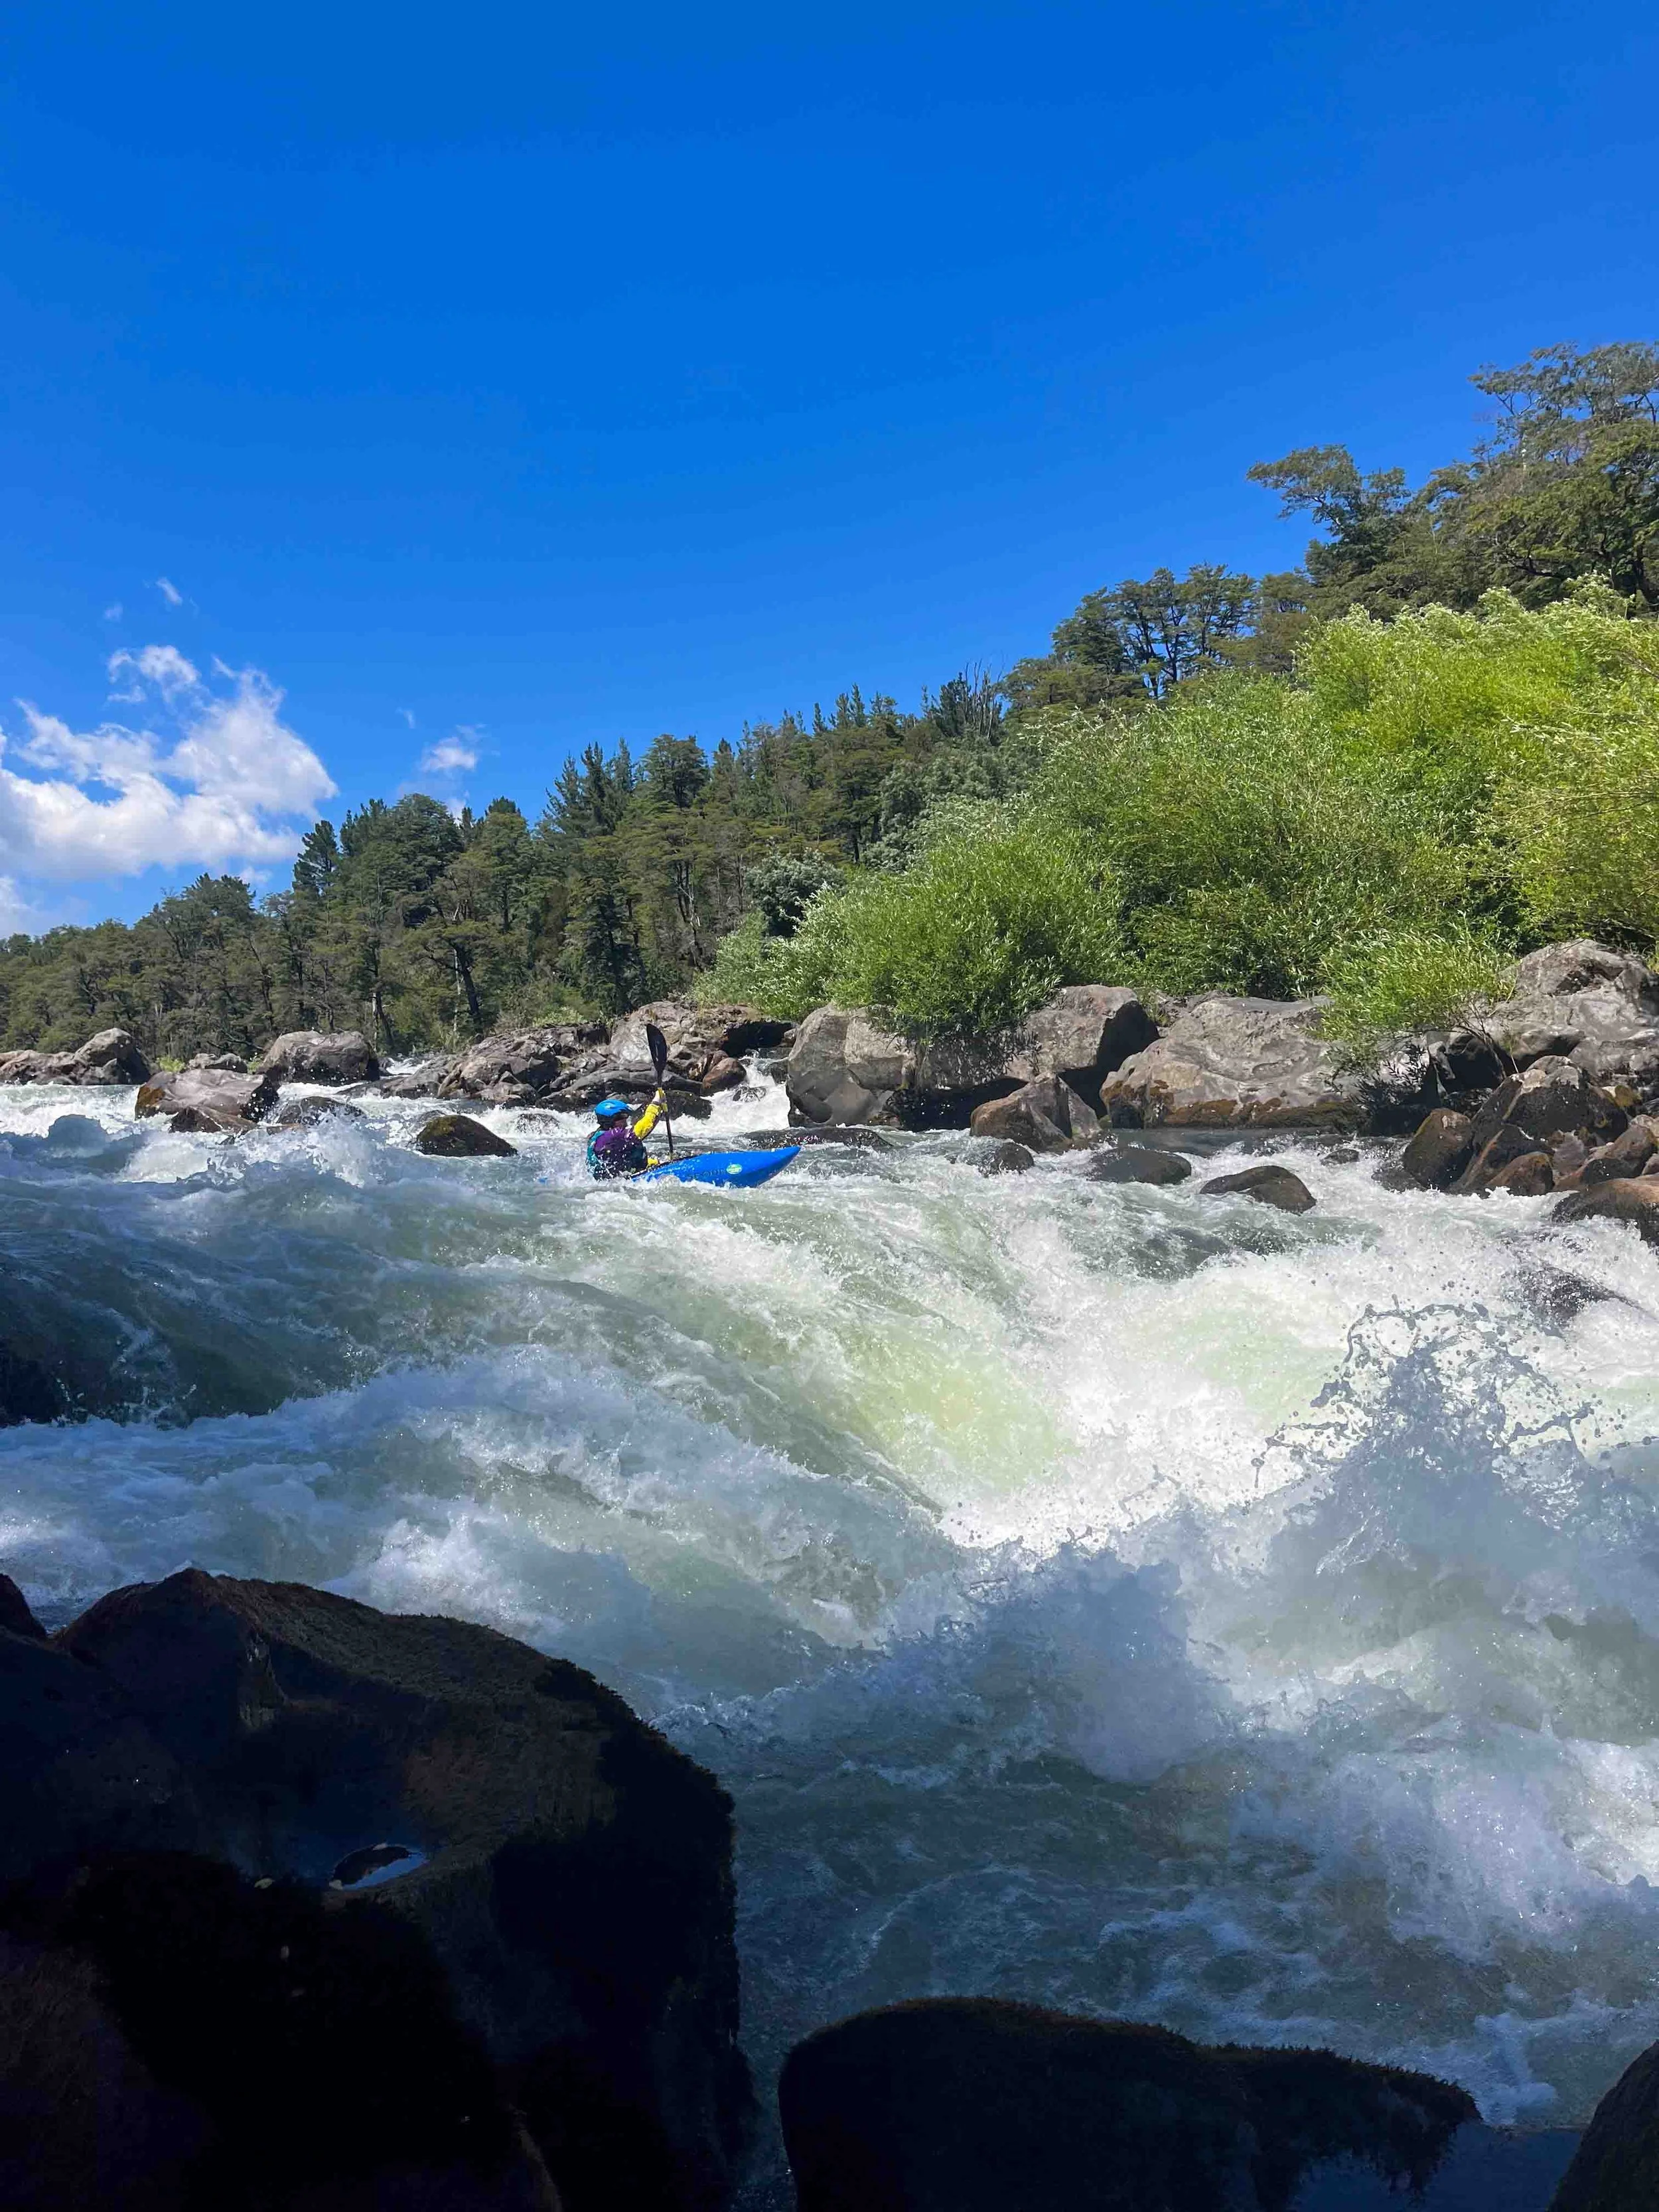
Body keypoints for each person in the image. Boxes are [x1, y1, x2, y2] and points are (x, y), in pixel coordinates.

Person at [587, 1088, 668, 1179]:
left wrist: (657, 1163)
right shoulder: (609, 1137)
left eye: (626, 1118)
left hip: (619, 1174)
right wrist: (656, 1103)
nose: (625, 1123)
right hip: (614, 1181)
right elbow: (644, 1128)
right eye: (621, 1119)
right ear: (608, 1121)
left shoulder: (601, 1136)